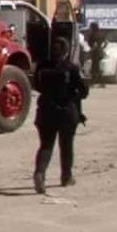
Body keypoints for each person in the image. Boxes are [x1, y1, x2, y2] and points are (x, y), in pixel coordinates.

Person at [33, 36, 88, 194]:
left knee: (46, 146)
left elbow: (36, 85)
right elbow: (84, 91)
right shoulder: (72, 68)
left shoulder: (42, 66)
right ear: (66, 50)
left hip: (45, 111)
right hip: (67, 112)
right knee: (66, 146)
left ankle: (40, 173)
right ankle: (66, 177)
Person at [85, 22, 108, 87]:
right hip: (100, 52)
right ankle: (101, 83)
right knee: (97, 67)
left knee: (94, 68)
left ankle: (93, 83)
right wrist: (102, 48)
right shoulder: (101, 34)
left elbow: (93, 44)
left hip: (95, 53)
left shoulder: (92, 35)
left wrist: (92, 49)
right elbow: (106, 42)